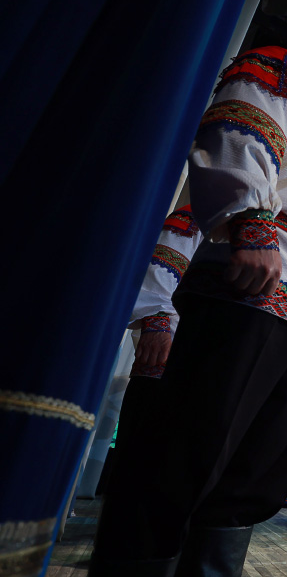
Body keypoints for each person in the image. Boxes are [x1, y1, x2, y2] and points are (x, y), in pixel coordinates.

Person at [73, 1, 287, 577]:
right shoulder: (280, 69)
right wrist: (252, 223)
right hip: (250, 290)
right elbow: (241, 132)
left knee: (251, 474)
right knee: (180, 460)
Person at [98, 206, 202, 496]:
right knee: (141, 455)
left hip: (206, 366)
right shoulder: (194, 217)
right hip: (167, 355)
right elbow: (157, 279)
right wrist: (157, 323)